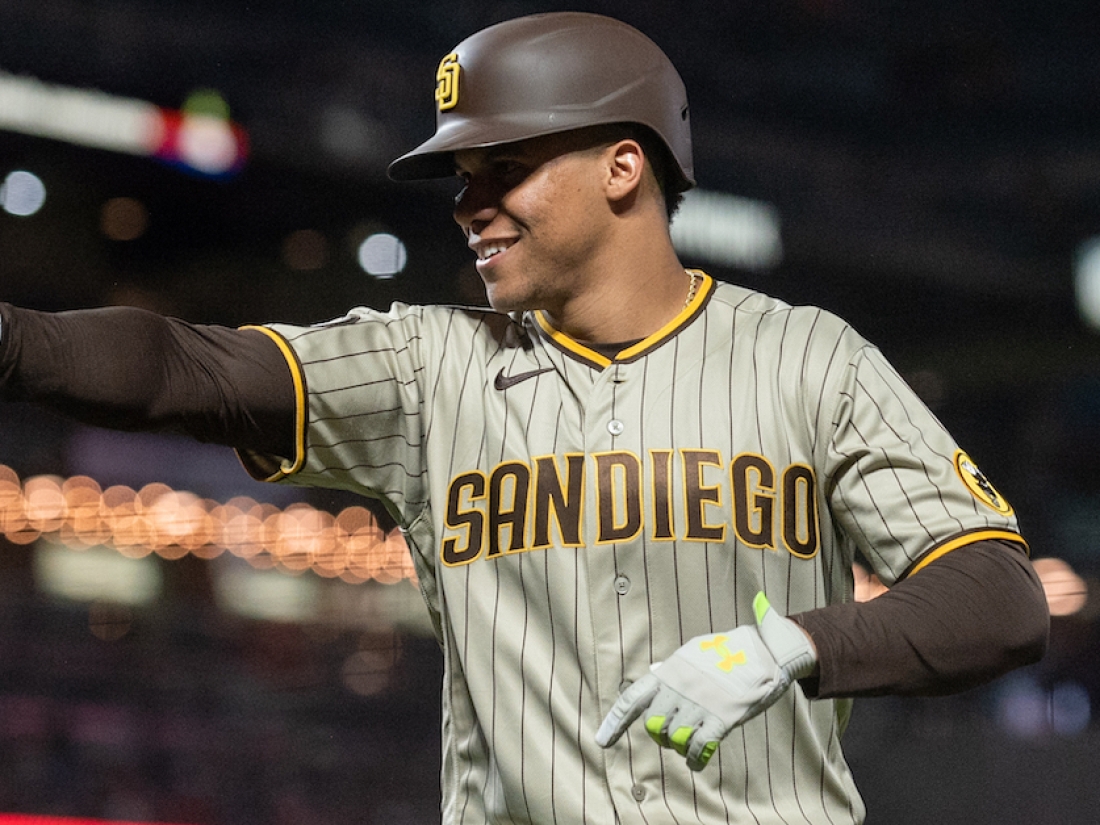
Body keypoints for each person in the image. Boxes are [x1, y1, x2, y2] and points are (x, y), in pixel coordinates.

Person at [0, 11, 1048, 825]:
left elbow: (996, 601)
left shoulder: (808, 357)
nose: (468, 203)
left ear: (621, 166)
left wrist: (787, 650)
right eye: (463, 177)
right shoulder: (424, 366)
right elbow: (182, 367)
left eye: (504, 168)